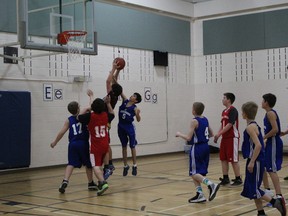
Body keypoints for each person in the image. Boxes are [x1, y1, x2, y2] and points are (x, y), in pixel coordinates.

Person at [241, 101, 286, 216]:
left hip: (255, 161)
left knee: (254, 189)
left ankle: (275, 202)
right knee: (251, 187)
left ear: (245, 114)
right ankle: (260, 212)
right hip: (254, 160)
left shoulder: (250, 127)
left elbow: (259, 145)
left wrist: (251, 162)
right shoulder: (254, 125)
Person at [176, 102, 220, 203]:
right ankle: (200, 194)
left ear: (194, 110)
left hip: (197, 148)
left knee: (193, 172)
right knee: (198, 173)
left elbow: (188, 138)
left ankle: (211, 184)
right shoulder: (205, 119)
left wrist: (179, 134)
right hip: (206, 147)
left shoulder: (194, 121)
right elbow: (212, 133)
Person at [50, 101, 97, 193]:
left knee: (71, 163)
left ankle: (65, 180)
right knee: (88, 164)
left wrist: (55, 142)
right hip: (83, 143)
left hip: (72, 144)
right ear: (78, 108)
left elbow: (62, 132)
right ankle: (90, 183)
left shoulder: (69, 120)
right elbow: (90, 108)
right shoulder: (84, 117)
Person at [78, 96, 115, 196]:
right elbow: (112, 113)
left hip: (95, 146)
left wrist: (86, 108)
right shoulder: (106, 115)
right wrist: (108, 103)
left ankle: (103, 182)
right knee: (101, 164)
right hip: (105, 145)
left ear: (93, 107)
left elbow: (79, 117)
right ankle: (107, 168)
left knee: (95, 166)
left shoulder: (90, 116)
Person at [214, 92, 243, 186]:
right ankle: (225, 178)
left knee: (233, 159)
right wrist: (218, 134)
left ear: (229, 100)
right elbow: (222, 124)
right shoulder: (223, 111)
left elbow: (230, 124)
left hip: (232, 138)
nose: (222, 99)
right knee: (223, 158)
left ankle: (238, 179)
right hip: (225, 138)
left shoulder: (233, 110)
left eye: (224, 98)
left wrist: (219, 134)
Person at [102, 59, 123, 179]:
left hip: (105, 119)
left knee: (106, 143)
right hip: (106, 119)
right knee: (107, 143)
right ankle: (109, 164)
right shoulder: (115, 94)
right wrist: (117, 71)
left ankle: (109, 164)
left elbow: (108, 81)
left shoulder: (111, 95)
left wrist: (114, 67)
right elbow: (114, 81)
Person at [262, 93, 284, 199]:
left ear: (266, 102)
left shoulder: (270, 113)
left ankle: (279, 195)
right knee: (264, 166)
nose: (261, 102)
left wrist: (263, 138)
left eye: (263, 100)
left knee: (271, 169)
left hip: (274, 142)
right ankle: (268, 190)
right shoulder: (269, 113)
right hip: (271, 142)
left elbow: (275, 130)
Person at [118, 91, 142, 176]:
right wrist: (114, 80)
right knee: (124, 146)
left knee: (132, 146)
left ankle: (134, 165)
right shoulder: (125, 101)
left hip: (129, 128)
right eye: (133, 94)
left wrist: (138, 114)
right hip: (121, 126)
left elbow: (138, 120)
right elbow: (120, 91)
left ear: (136, 100)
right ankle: (125, 165)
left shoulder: (135, 108)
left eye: (134, 96)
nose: (132, 95)